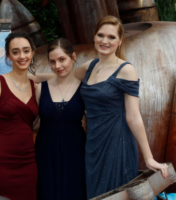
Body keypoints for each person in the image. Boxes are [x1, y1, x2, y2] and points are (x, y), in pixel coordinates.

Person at [75, 15, 169, 198]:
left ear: (119, 42)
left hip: (118, 143)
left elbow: (133, 116)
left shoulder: (126, 70)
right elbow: (66, 80)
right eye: (101, 35)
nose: (105, 41)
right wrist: (33, 78)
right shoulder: (88, 67)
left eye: (111, 37)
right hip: (93, 145)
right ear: (94, 37)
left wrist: (149, 158)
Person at [0, 32, 39, 200]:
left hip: (28, 162)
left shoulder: (35, 86)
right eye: (16, 52)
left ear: (32, 52)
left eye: (26, 50)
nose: (22, 56)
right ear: (9, 56)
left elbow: (63, 75)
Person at [34, 38, 87, 200]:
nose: (57, 66)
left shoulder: (85, 89)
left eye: (62, 59)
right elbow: (31, 122)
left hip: (76, 154)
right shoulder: (40, 88)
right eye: (53, 62)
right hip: (45, 155)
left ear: (73, 57)